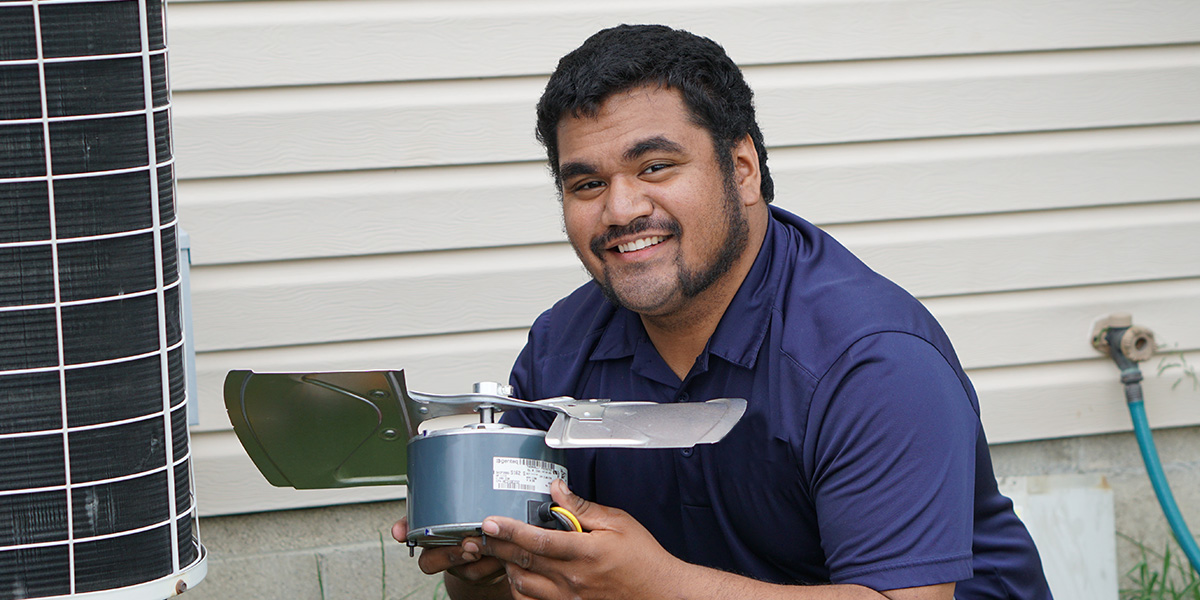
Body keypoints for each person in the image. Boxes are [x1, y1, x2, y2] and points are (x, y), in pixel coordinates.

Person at [393, 24, 1052, 600]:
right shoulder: (562, 347)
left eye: (655, 166)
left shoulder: (869, 359)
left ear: (742, 169)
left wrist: (654, 588)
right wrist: (481, 571)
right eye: (587, 183)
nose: (620, 209)